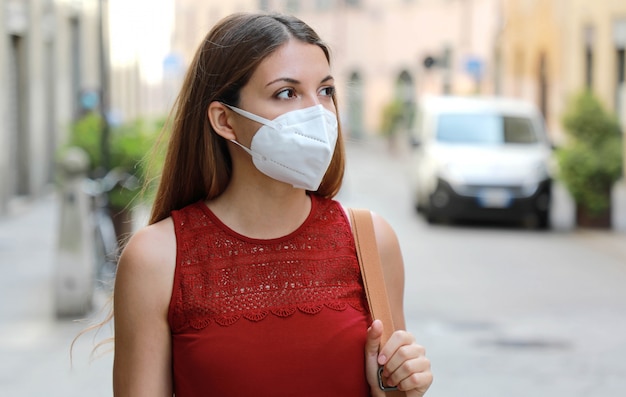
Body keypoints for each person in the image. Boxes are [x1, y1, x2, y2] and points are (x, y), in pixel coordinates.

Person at [112, 12, 433, 397]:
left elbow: (392, 386)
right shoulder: (156, 259)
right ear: (225, 121)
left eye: (326, 91)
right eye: (287, 92)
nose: (317, 112)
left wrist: (396, 389)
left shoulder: (371, 240)